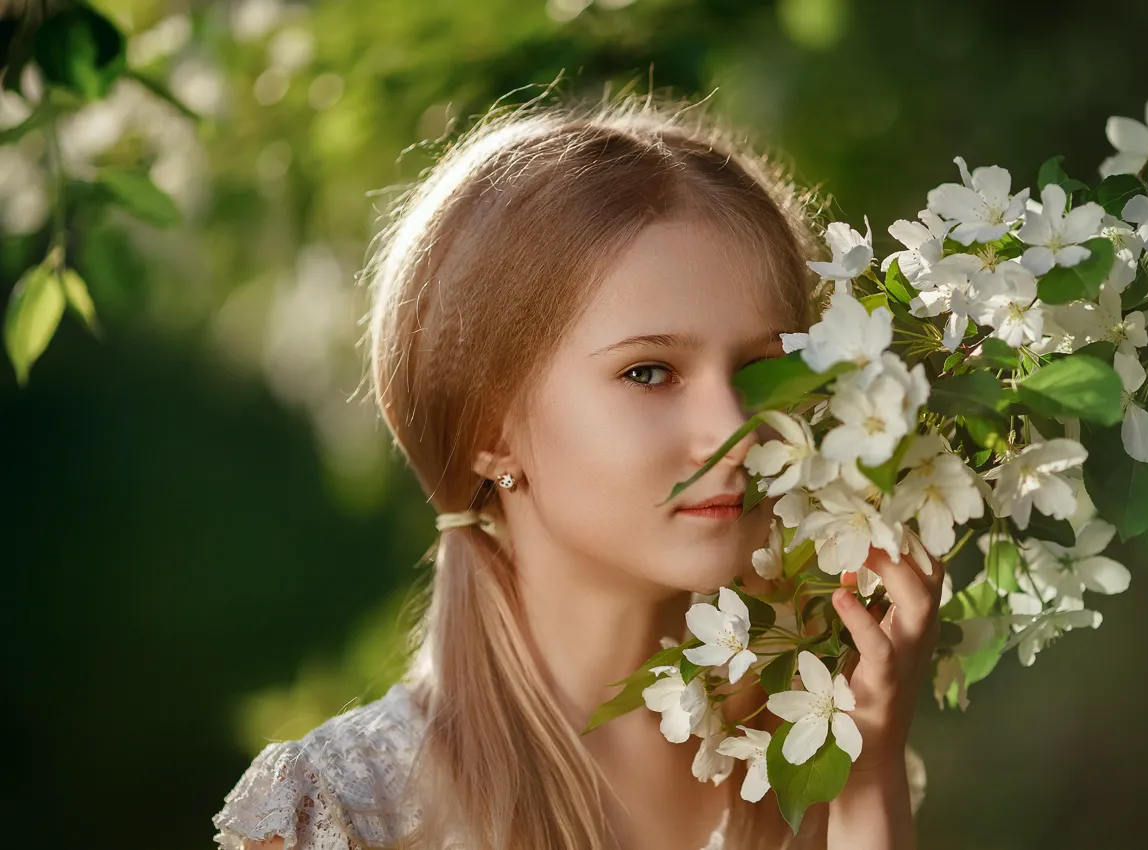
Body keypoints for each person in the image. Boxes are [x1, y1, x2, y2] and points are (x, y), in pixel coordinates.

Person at [212, 87, 941, 850]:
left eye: (762, 369)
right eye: (651, 373)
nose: (735, 431)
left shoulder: (808, 762)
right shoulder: (340, 815)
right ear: (487, 429)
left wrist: (864, 777)